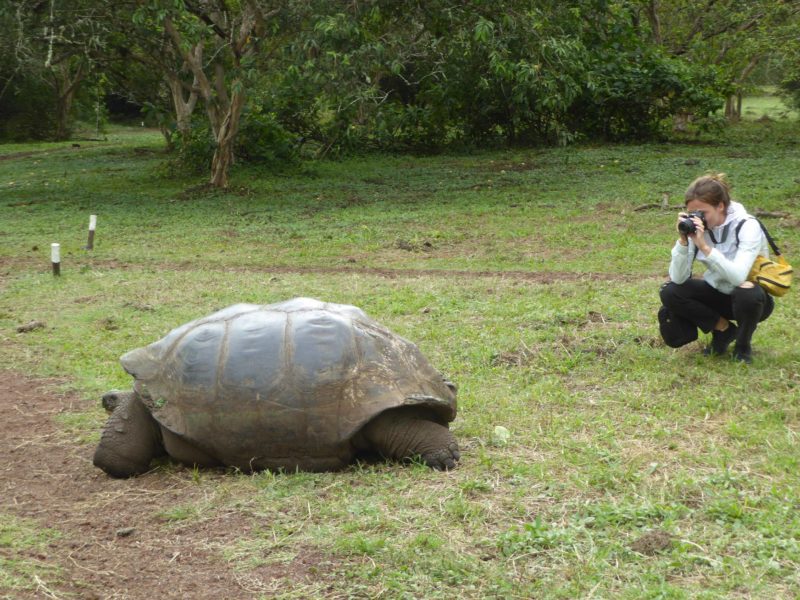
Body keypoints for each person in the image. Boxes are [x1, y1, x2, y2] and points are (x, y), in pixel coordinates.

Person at [659, 173, 774, 364]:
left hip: (753, 301)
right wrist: (683, 240)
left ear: (720, 206)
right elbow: (678, 278)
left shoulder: (747, 225)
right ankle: (723, 330)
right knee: (670, 291)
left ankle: (743, 346)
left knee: (747, 291)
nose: (698, 219)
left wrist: (705, 247)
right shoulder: (698, 229)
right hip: (717, 293)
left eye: (702, 213)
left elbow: (738, 276)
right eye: (692, 213)